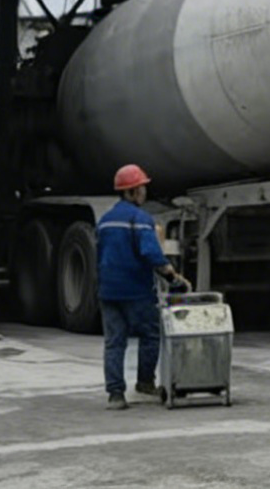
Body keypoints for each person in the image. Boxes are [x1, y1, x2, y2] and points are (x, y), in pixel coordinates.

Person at [97, 163, 180, 409]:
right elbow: (151, 253)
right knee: (150, 334)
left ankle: (115, 395)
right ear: (131, 191)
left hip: (108, 291)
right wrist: (171, 275)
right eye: (141, 188)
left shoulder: (104, 221)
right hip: (136, 291)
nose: (144, 192)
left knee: (114, 342)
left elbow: (99, 254)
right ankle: (145, 382)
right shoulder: (140, 219)